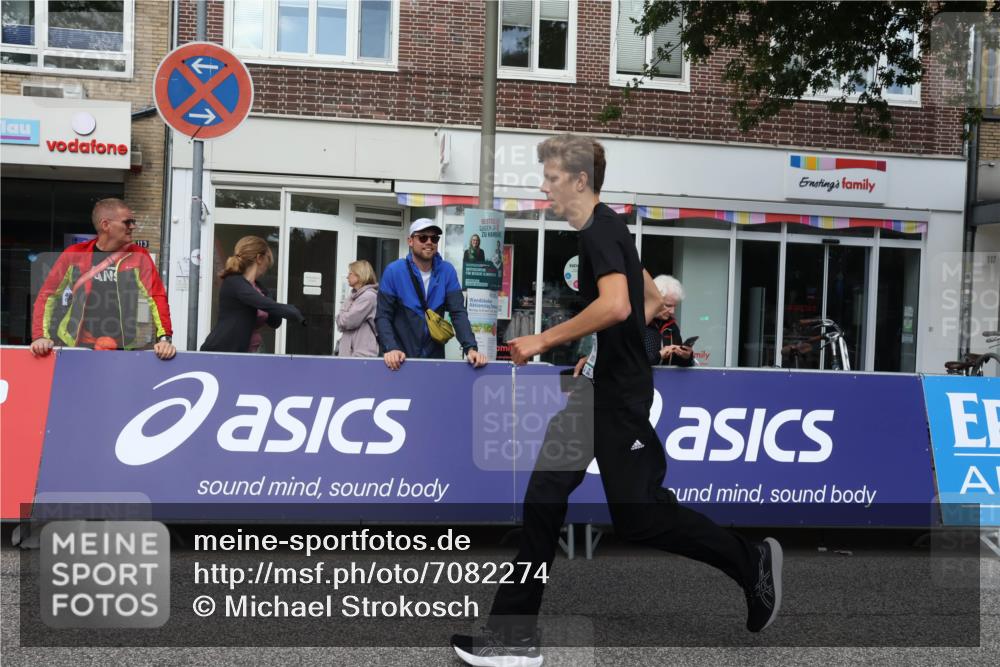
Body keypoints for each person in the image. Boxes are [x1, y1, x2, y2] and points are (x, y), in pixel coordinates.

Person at [451, 135, 783, 666]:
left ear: (579, 180)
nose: (545, 187)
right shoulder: (606, 229)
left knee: (640, 517)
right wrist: (607, 354)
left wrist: (544, 339)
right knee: (543, 496)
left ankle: (750, 560)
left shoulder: (601, 232)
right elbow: (650, 300)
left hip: (620, 398)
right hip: (598, 389)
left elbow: (616, 306)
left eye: (552, 178)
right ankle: (511, 638)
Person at [30, 198, 175, 360]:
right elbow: (47, 295)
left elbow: (156, 297)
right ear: (106, 225)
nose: (133, 226)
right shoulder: (75, 254)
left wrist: (164, 338)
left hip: (121, 349)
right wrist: (40, 336)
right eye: (127, 222)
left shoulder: (139, 256)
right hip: (76, 346)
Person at [376, 218, 487, 370]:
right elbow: (383, 316)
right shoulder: (394, 271)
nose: (429, 242)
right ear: (410, 241)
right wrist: (390, 348)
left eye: (434, 238)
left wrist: (471, 348)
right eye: (423, 237)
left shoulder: (447, 271)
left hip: (433, 360)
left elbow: (458, 313)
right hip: (398, 359)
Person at [200, 236, 304, 353]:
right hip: (221, 352)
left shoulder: (260, 289)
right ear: (259, 258)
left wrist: (272, 299)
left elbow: (274, 322)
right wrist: (290, 310)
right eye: (267, 260)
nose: (267, 268)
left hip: (248, 353)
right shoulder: (234, 282)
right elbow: (259, 301)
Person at [644, 274, 695, 367]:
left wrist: (686, 357)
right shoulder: (636, 322)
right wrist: (659, 355)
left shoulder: (672, 326)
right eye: (668, 305)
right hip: (641, 381)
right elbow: (630, 363)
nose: (672, 311)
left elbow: (677, 364)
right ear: (654, 299)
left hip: (667, 380)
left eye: (675, 306)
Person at [336, 260, 379, 357]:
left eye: (350, 273)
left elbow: (347, 321)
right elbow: (340, 320)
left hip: (360, 355)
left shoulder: (368, 297)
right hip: (350, 354)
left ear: (360, 275)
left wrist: (341, 315)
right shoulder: (354, 295)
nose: (347, 277)